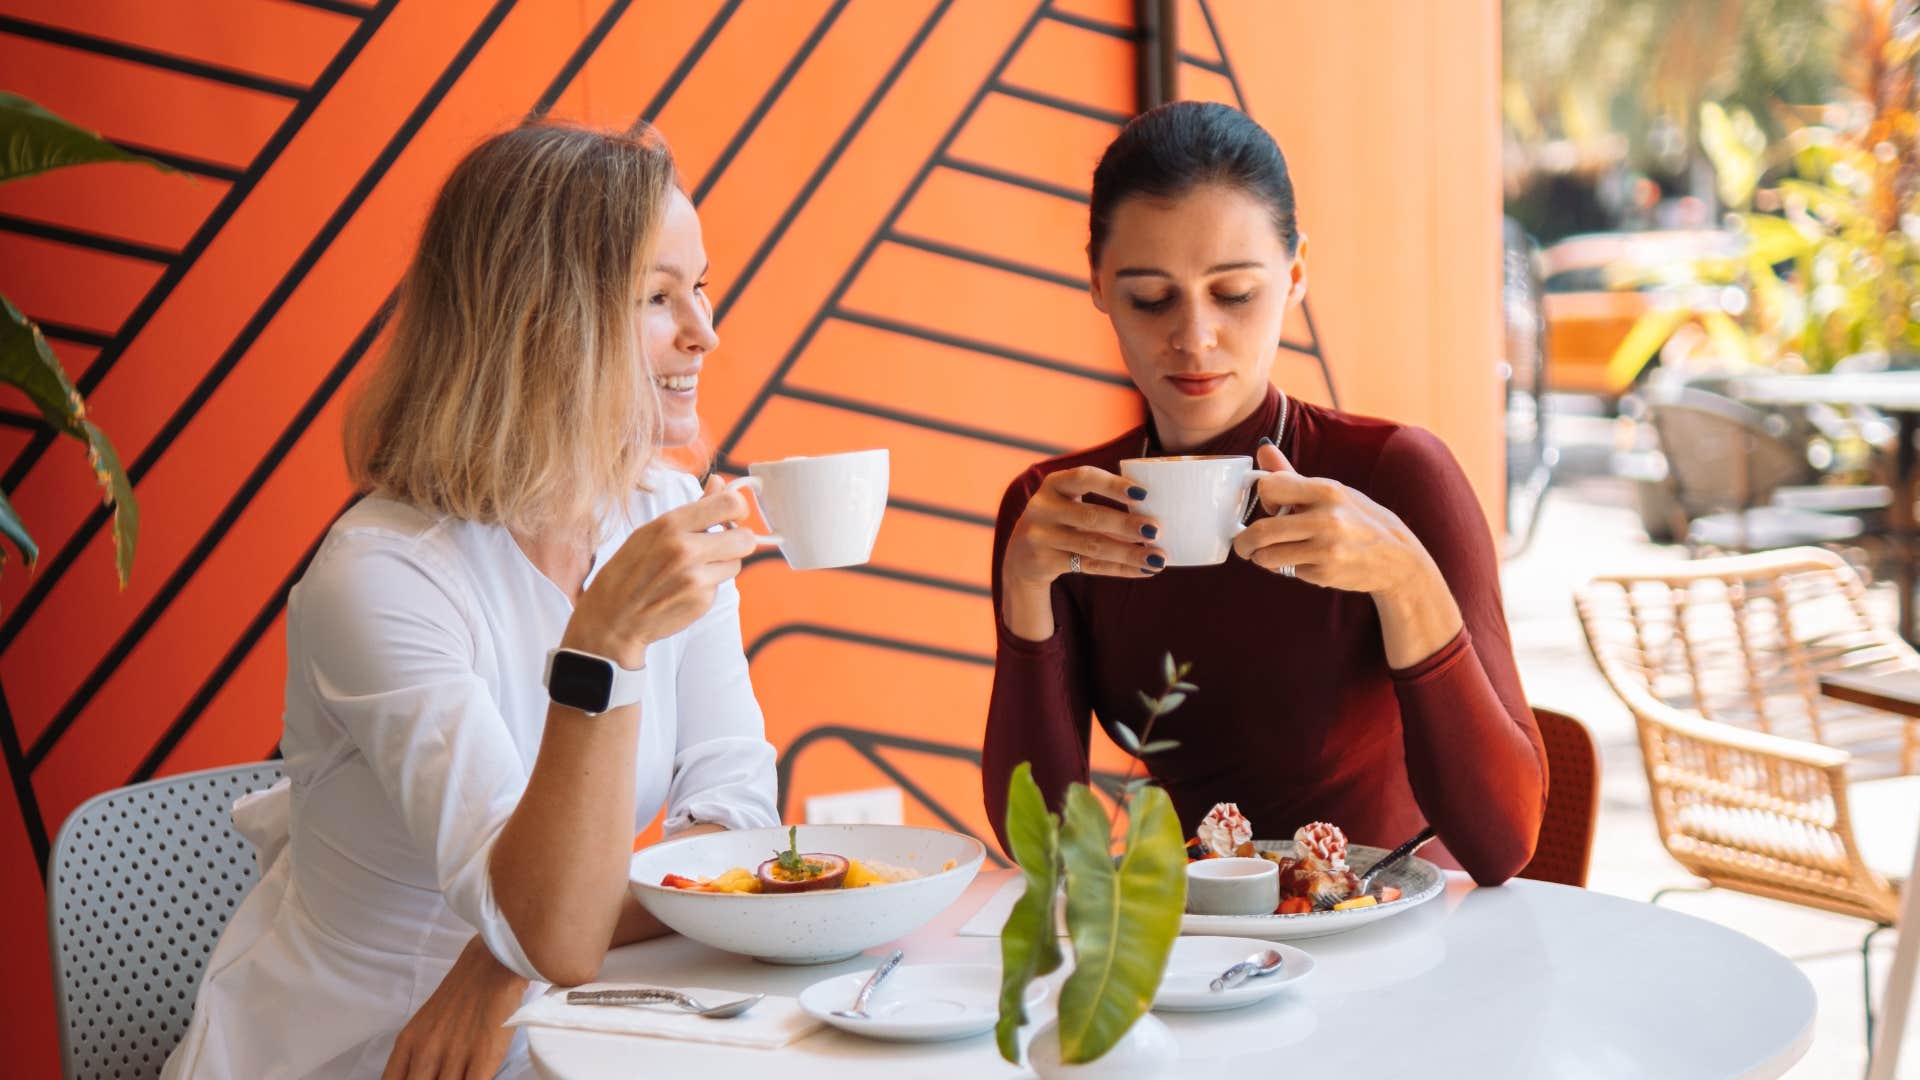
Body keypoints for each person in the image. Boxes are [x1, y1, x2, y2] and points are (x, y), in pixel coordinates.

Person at [164, 122, 778, 1079]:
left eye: (698, 287)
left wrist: (500, 959)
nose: (706, 330)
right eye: (658, 297)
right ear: (540, 319)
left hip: (557, 1021)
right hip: (367, 1053)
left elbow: (735, 816)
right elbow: (560, 929)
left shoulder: (661, 512)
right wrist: (605, 644)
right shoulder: (383, 575)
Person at [982, 102, 1546, 884]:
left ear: (1296, 273)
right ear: (1099, 287)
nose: (1195, 336)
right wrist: (1024, 586)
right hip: (1199, 956)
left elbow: (1504, 844)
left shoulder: (1394, 475)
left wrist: (1404, 580)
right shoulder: (1059, 514)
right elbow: (1042, 851)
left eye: (1236, 292)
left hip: (1400, 945)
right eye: (1151, 298)